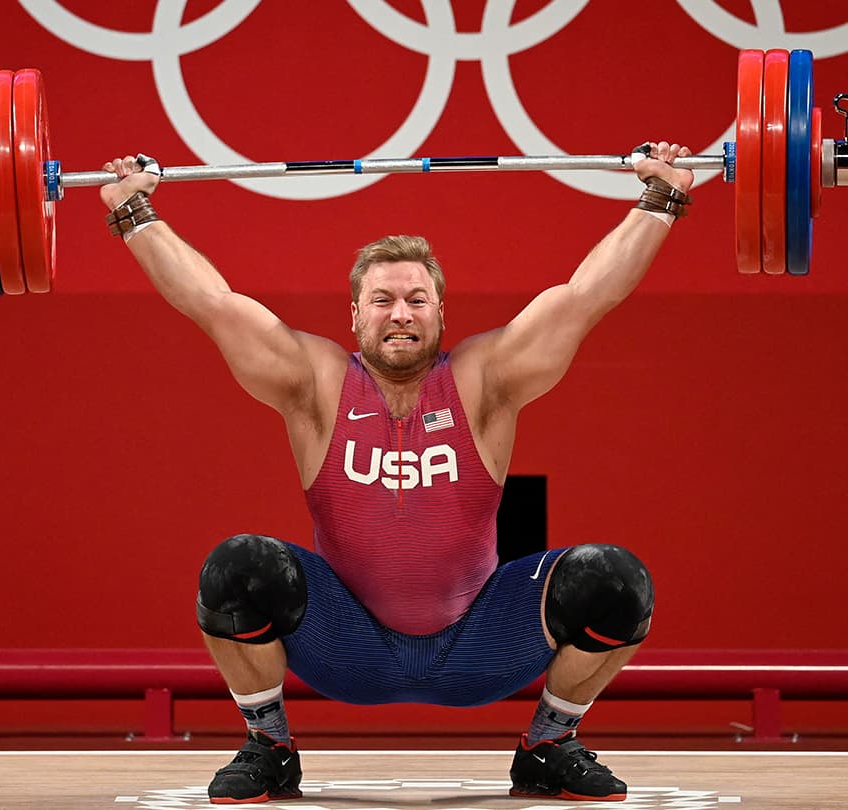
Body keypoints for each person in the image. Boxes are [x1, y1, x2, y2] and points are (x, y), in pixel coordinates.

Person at [99, 141, 693, 803]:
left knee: (616, 580)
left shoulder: (485, 379)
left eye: (417, 299)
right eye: (382, 300)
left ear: (442, 312)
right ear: (354, 315)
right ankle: (270, 746)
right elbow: (212, 302)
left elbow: (585, 298)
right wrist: (133, 212)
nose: (401, 314)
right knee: (238, 566)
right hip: (344, 641)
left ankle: (549, 744)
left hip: (480, 644)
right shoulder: (314, 383)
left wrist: (661, 197)